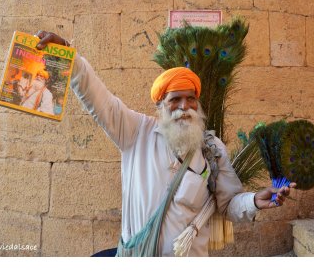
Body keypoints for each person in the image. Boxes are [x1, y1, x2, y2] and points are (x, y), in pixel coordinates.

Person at [35, 31, 296, 257]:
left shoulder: (212, 150)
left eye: (191, 99)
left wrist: (253, 201)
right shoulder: (135, 132)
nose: (184, 107)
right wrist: (68, 54)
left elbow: (228, 203)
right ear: (160, 105)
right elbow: (98, 99)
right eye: (175, 99)